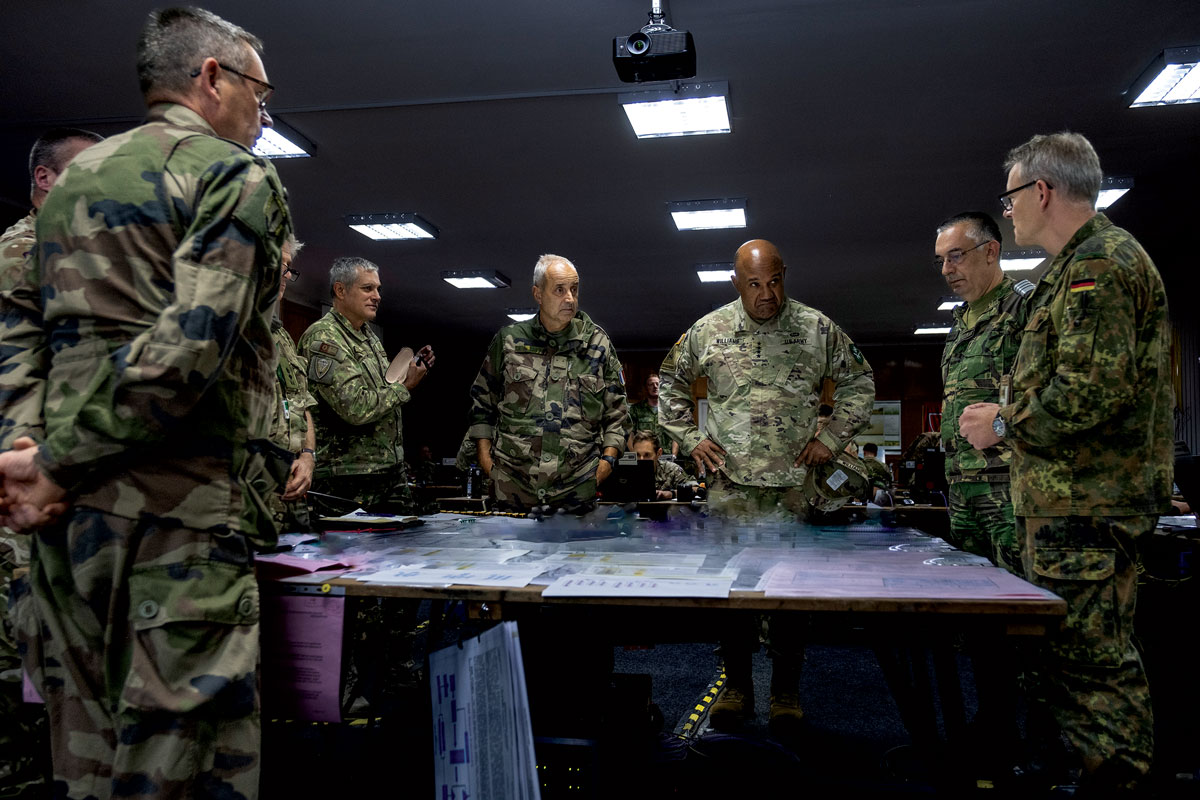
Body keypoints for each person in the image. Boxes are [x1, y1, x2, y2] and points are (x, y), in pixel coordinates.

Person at [0, 7, 291, 798]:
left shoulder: (69, 189)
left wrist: (29, 462)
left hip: (66, 534)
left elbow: (20, 340)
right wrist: (52, 464)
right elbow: (189, 350)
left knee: (84, 759)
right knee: (184, 766)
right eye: (261, 96)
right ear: (212, 79)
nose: (263, 117)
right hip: (178, 523)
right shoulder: (234, 174)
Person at [959, 131, 1172, 795]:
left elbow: (1089, 390)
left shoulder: (1098, 268)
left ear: (1041, 191)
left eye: (1013, 196)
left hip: (1087, 506)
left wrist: (999, 421)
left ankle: (1117, 782)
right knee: (1068, 664)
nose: (1011, 210)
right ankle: (1090, 775)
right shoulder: (1076, 268)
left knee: (1095, 665)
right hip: (1065, 507)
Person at [659, 238, 874, 733]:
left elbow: (861, 382)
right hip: (730, 489)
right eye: (754, 284)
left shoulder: (816, 327)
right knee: (732, 594)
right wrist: (692, 439)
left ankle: (785, 692)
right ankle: (735, 686)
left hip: (795, 488)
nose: (767, 295)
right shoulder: (708, 330)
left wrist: (832, 439)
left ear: (785, 276)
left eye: (774, 281)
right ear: (736, 283)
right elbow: (669, 382)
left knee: (790, 597)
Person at [0, 126, 102, 798]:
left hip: (41, 481)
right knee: (26, 645)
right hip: (20, 485)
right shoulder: (28, 249)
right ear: (45, 181)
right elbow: (21, 374)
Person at [468, 253, 628, 513]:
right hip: (512, 488)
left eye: (574, 290)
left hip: (576, 490)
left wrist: (606, 463)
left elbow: (618, 414)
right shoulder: (509, 341)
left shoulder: (596, 344)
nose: (570, 299)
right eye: (560, 290)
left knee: (575, 556)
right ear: (538, 293)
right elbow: (482, 404)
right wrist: (486, 461)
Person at [298, 256, 434, 515]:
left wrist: (408, 374)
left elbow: (381, 390)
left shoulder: (368, 336)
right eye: (367, 288)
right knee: (350, 555)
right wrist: (405, 388)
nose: (377, 296)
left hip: (387, 473)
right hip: (347, 478)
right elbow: (355, 407)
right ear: (340, 290)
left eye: (378, 289)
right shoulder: (324, 338)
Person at [937, 211, 1030, 574]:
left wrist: (1004, 424)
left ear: (991, 251)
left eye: (956, 255)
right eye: (941, 260)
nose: (946, 269)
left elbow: (1062, 392)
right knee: (970, 597)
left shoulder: (1026, 309)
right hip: (962, 488)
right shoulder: (959, 325)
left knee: (1020, 601)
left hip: (1011, 490)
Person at [268, 235, 317, 532]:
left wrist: (308, 457)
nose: (286, 276)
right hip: (245, 500)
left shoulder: (282, 337)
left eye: (289, 268)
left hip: (291, 494)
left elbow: (302, 403)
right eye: (281, 266)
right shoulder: (224, 329)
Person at [627, 372, 677, 456]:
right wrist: (635, 455)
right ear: (646, 388)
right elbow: (630, 434)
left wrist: (674, 455)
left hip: (665, 456)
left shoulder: (670, 410)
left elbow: (676, 435)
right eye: (651, 384)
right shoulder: (636, 409)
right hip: (644, 456)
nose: (655, 386)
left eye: (657, 384)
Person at [629, 429, 688, 499]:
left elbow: (695, 489)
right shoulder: (627, 472)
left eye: (647, 455)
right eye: (637, 455)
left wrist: (671, 493)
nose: (641, 460)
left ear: (659, 453)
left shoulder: (671, 469)